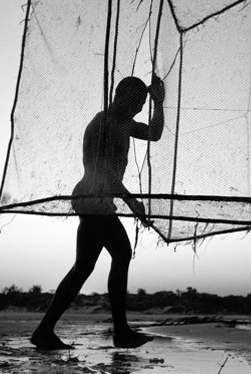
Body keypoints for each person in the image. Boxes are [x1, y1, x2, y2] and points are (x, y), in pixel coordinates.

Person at [30, 75, 164, 350]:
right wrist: (133, 203)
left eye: (142, 104)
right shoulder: (103, 123)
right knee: (122, 253)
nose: (139, 109)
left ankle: (44, 332)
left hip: (97, 201)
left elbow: (154, 134)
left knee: (82, 269)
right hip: (92, 198)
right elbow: (103, 171)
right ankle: (121, 332)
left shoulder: (124, 124)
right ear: (121, 96)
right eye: (136, 102)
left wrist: (158, 104)